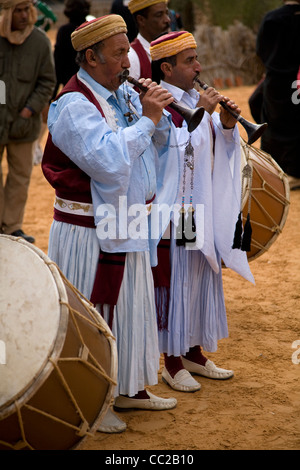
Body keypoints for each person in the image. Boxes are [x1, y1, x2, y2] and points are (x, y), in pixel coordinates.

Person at [42, 14, 179, 433]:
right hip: (89, 230)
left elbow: (152, 148)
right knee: (97, 310)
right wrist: (147, 121)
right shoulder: (73, 105)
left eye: (126, 52)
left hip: (127, 218)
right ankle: (91, 399)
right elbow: (107, 162)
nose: (127, 63)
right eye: (119, 54)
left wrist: (160, 120)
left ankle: (127, 388)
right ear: (91, 56)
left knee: (131, 306)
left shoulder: (122, 95)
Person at [149, 31, 255, 392]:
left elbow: (213, 148)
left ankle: (193, 351)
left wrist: (227, 127)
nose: (198, 66)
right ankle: (172, 361)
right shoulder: (157, 102)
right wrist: (206, 113)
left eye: (196, 58)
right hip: (174, 210)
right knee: (177, 279)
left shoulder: (195, 97)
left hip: (199, 205)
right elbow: (176, 153)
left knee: (198, 274)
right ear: (167, 67)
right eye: (189, 60)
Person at [0, 0, 56, 243]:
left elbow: (47, 82)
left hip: (25, 123)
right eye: (17, 10)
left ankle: (11, 228)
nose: (23, 15)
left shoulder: (40, 41)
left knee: (20, 176)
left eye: (26, 10)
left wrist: (28, 110)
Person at [256, 0, 300, 190]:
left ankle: (278, 170)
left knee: (274, 120)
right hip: (297, 80)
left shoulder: (272, 18)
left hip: (278, 81)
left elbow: (261, 51)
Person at [127, 0, 170, 81]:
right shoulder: (132, 58)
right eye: (159, 15)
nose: (167, 20)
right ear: (141, 20)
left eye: (167, 13)